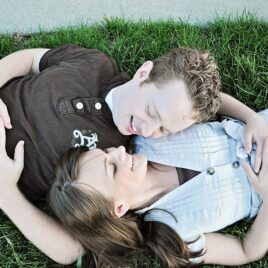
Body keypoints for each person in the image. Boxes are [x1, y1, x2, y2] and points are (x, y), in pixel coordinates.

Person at [0, 44, 267, 203]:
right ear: (143, 73)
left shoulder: (115, 155)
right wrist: (251, 116)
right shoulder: (94, 64)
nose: (148, 130)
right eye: (151, 111)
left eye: (163, 129)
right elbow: (33, 60)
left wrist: (7, 193)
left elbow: (70, 250)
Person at [47, 109, 268, 267]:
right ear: (120, 208)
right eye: (113, 168)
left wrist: (251, 118)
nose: (118, 152)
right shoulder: (172, 234)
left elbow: (213, 102)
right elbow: (246, 251)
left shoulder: (150, 133)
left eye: (106, 152)